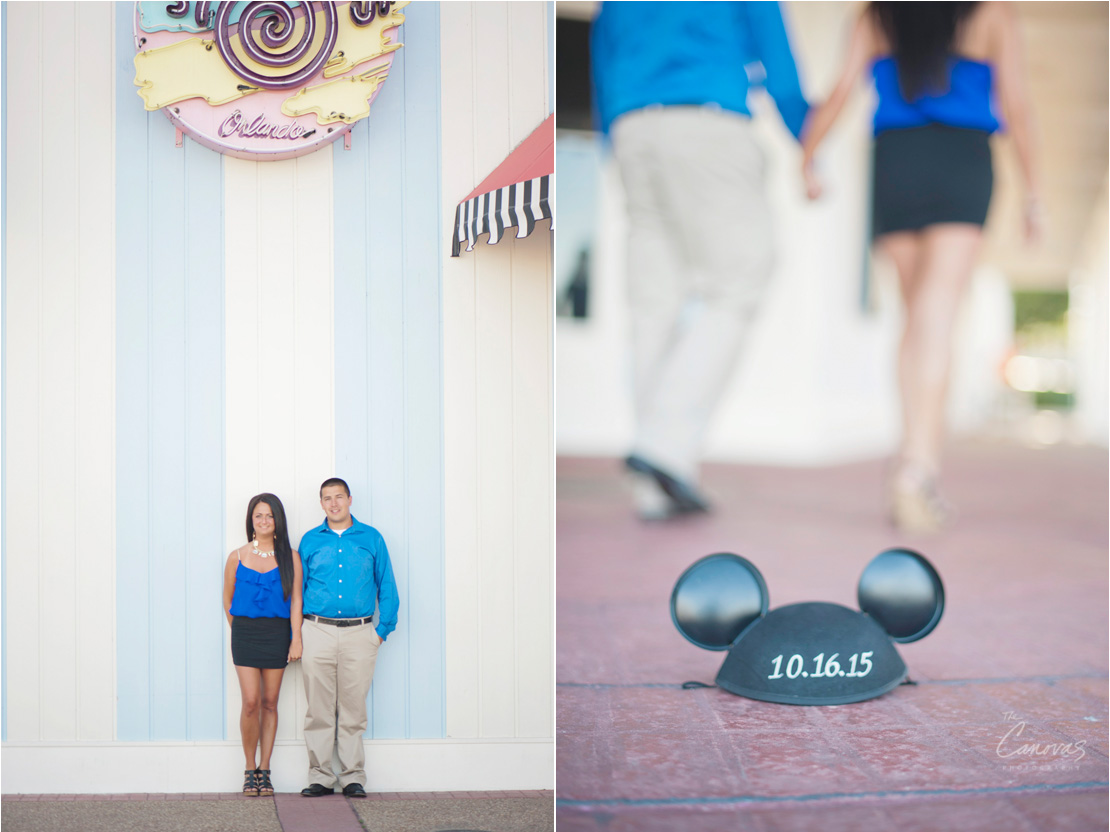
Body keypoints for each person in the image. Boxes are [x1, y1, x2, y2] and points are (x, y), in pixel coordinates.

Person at [801, 2, 1041, 532]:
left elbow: (840, 92)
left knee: (914, 321)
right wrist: (1034, 195)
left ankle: (912, 458)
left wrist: (807, 158)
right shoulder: (994, 15)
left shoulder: (875, 16)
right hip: (962, 159)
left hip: (897, 162)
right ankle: (917, 468)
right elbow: (1017, 106)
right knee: (936, 319)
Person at [591, 1, 810, 520]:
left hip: (631, 131)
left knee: (653, 308)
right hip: (707, 120)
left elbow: (603, 64)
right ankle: (664, 447)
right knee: (739, 283)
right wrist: (810, 147)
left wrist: (613, 147)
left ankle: (657, 484)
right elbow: (780, 69)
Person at [298, 477, 399, 798]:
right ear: (321, 503)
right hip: (316, 631)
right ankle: (321, 777)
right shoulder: (310, 541)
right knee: (319, 709)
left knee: (353, 708)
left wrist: (380, 632)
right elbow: (297, 593)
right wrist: (297, 635)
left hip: (361, 634)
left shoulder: (371, 538)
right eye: (327, 498)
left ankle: (353, 777)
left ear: (350, 499)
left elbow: (387, 586)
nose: (333, 503)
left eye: (339, 497)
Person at [222, 493, 303, 797]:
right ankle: (248, 768)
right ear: (251, 520)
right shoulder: (237, 556)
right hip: (244, 633)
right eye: (258, 515)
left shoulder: (290, 557)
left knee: (270, 702)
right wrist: (241, 630)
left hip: (278, 633)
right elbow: (227, 600)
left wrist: (296, 637)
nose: (264, 521)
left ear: (277, 520)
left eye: (269, 515)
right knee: (250, 703)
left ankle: (265, 770)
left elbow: (296, 600)